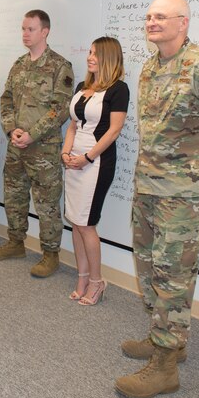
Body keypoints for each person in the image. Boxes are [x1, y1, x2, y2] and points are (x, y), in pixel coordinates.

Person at [115, 0, 199, 398]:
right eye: (149, 17)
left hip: (181, 194)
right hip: (148, 187)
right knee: (150, 268)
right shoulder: (151, 66)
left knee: (174, 277)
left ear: (183, 22)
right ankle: (165, 340)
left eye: (160, 17)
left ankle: (166, 367)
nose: (152, 23)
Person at [0, 10, 74, 278]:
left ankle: (50, 254)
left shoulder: (60, 66)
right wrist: (12, 130)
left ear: (44, 31)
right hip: (16, 145)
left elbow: (60, 109)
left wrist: (32, 134)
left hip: (43, 149)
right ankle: (15, 243)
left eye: (30, 29)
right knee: (14, 196)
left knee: (46, 203)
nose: (25, 34)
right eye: (23, 29)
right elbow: (6, 99)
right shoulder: (19, 64)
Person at [61, 36, 129, 305]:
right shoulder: (82, 86)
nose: (89, 57)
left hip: (96, 163)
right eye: (89, 52)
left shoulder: (118, 89)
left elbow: (114, 130)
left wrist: (87, 157)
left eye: (95, 54)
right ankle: (82, 277)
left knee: (86, 224)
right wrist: (66, 152)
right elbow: (73, 125)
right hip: (74, 161)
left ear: (108, 58)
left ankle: (97, 282)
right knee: (75, 222)